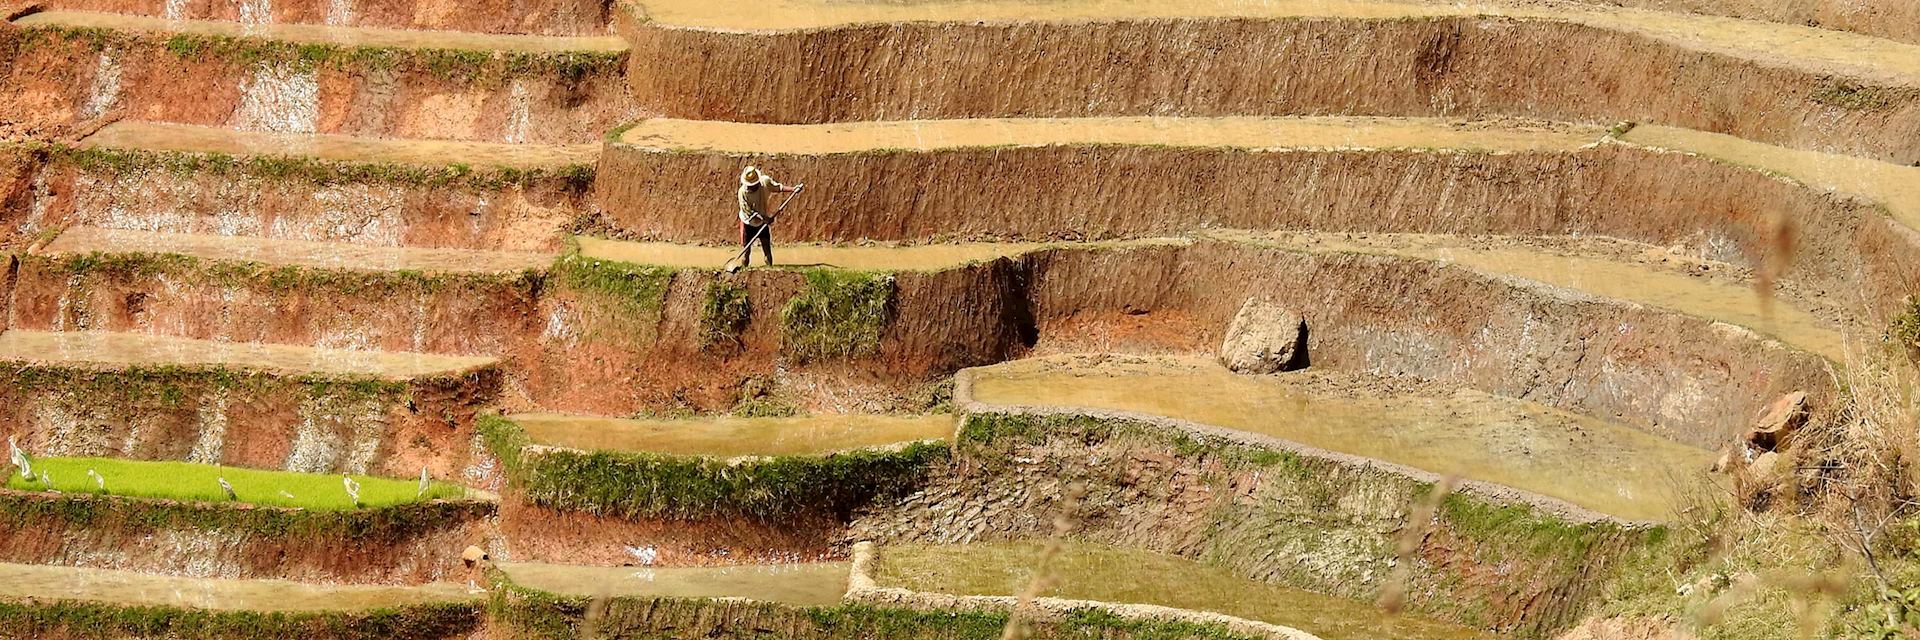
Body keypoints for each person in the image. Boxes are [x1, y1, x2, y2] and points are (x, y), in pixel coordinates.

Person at [736, 166, 802, 267]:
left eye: (752, 185)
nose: (750, 187)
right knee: (746, 252)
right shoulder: (742, 193)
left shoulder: (765, 182)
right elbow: (749, 212)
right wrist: (764, 218)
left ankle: (769, 270)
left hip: (762, 224)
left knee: (767, 249)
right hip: (748, 223)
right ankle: (743, 272)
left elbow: (778, 188)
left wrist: (793, 189)